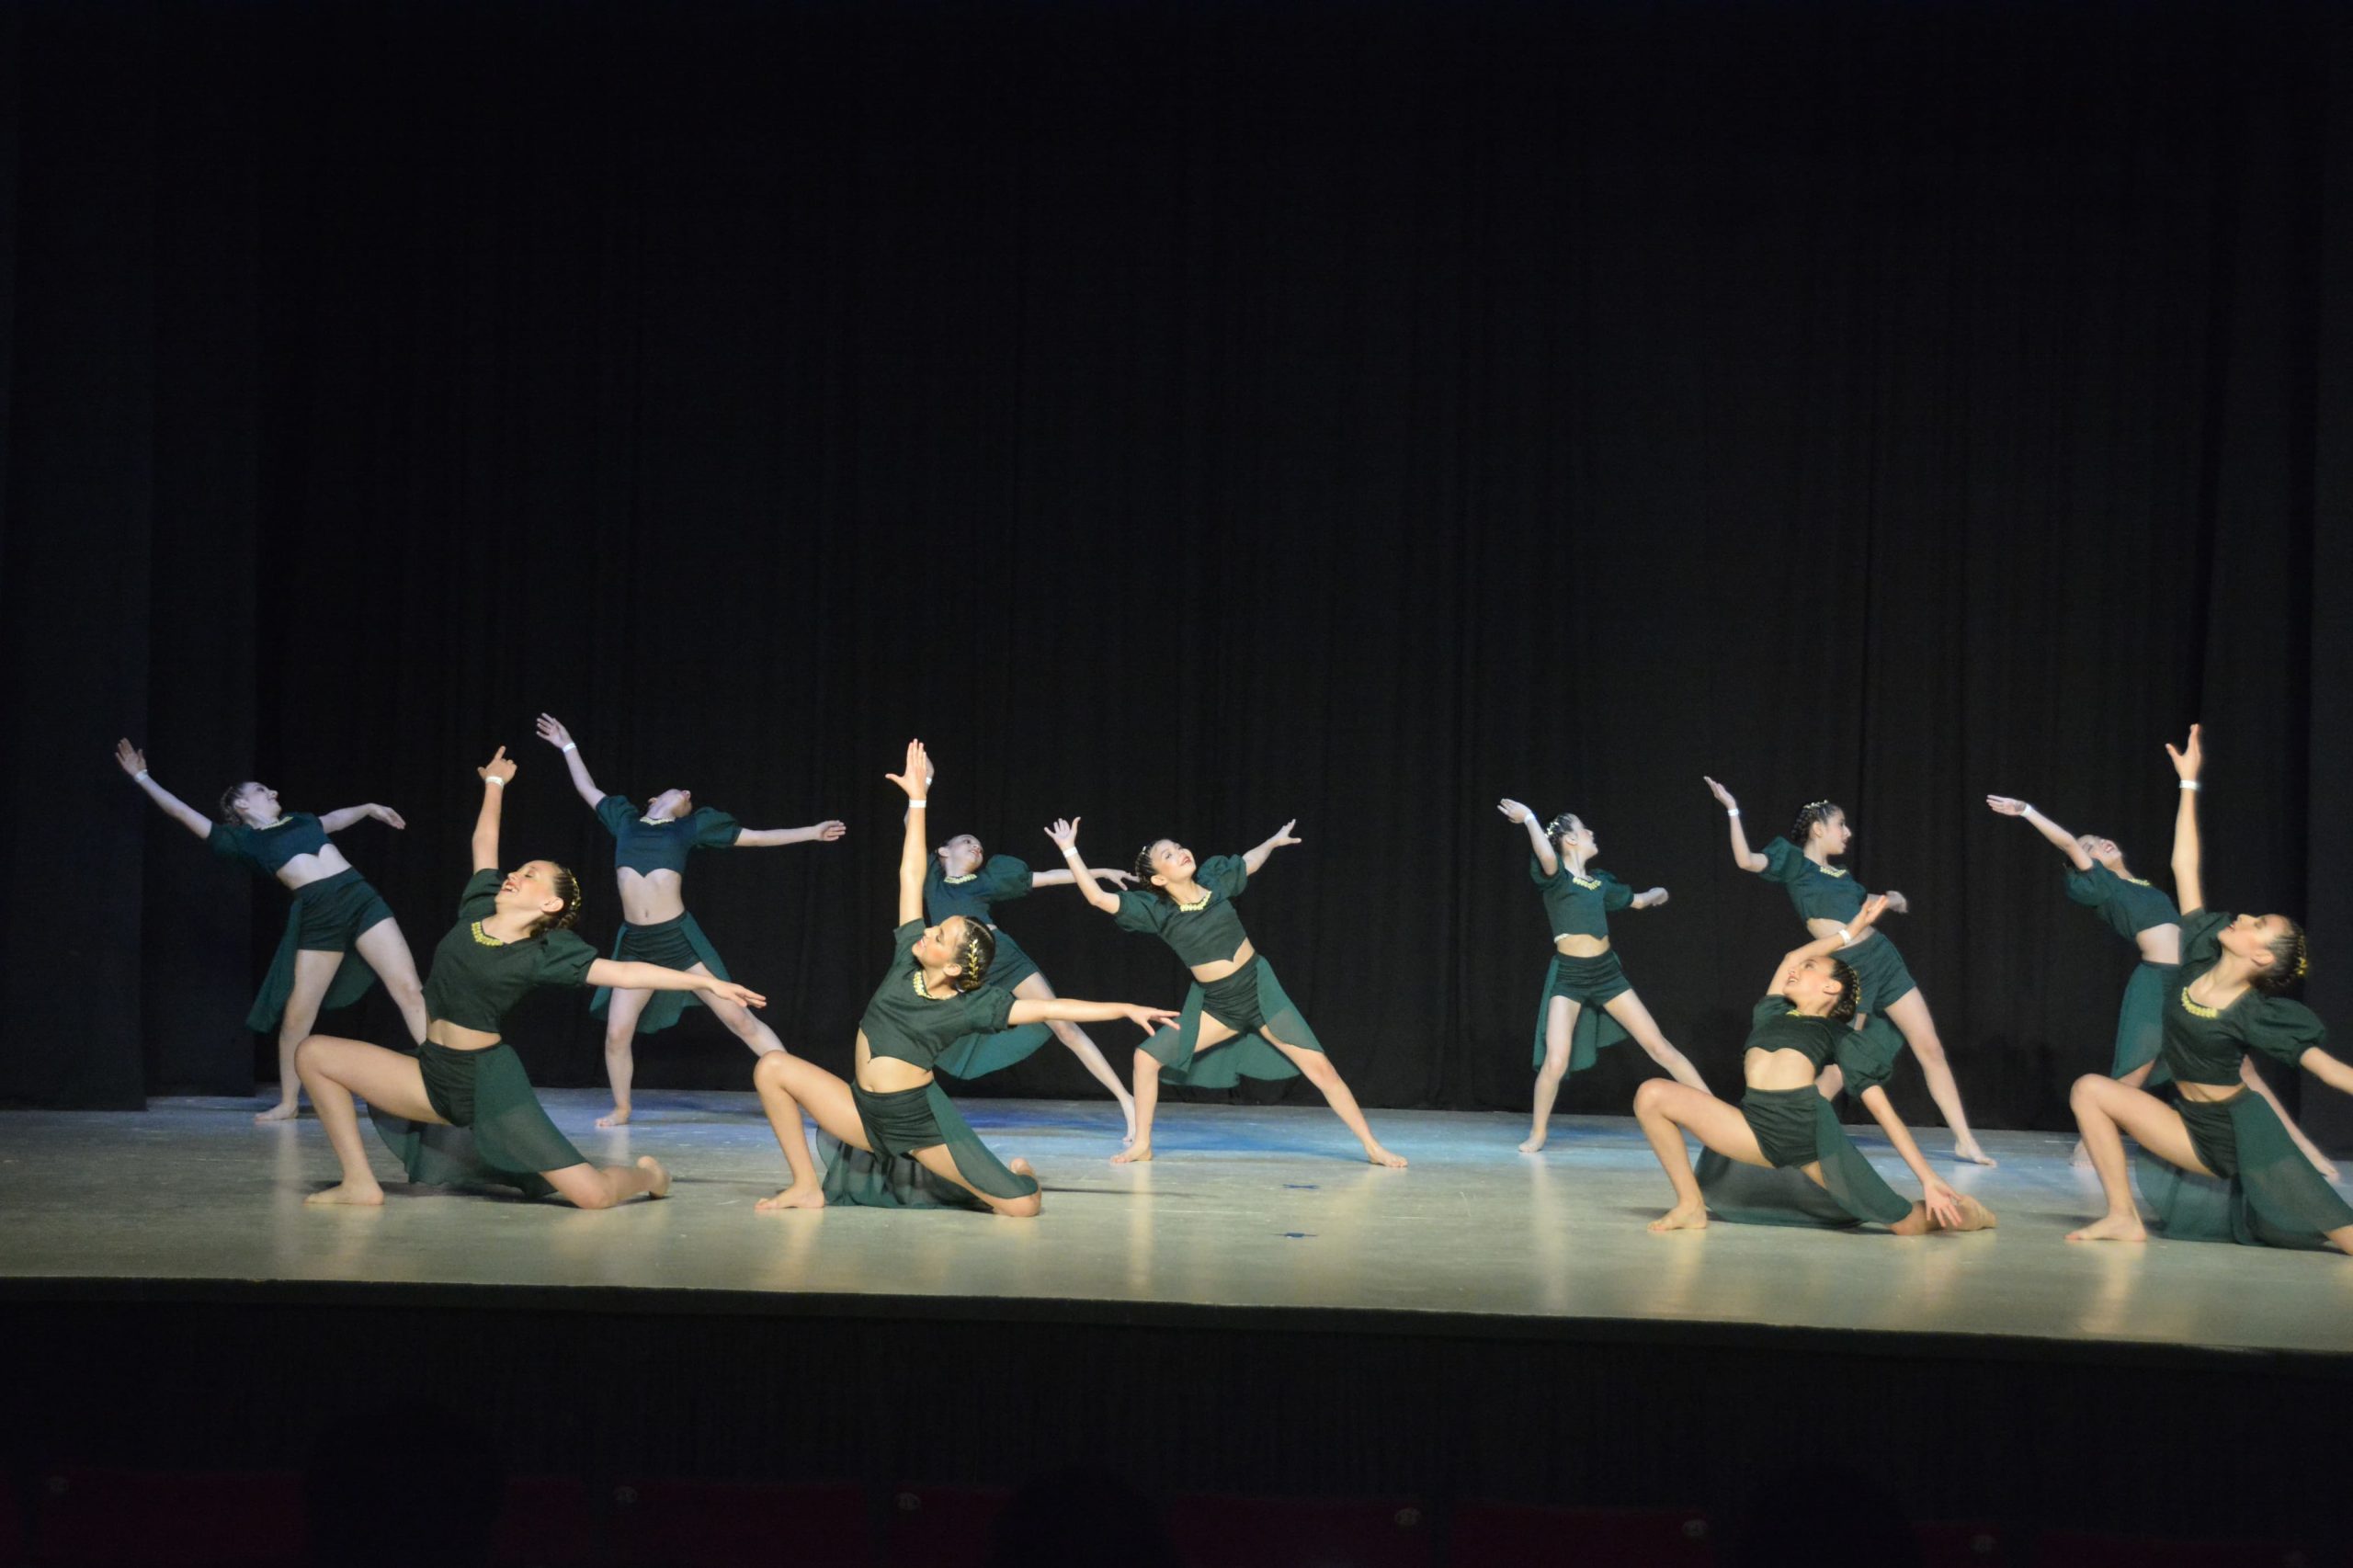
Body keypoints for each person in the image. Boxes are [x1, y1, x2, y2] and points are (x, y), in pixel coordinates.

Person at [295, 747, 763, 1208]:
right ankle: (359, 1183)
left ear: (550, 905)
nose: (515, 875)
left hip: (490, 1084)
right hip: (432, 1072)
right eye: (517, 870)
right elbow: (484, 843)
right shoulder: (477, 907)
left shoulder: (545, 952)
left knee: (593, 1197)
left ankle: (647, 1174)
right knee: (315, 1053)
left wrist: (706, 982)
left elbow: (625, 970)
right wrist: (494, 785)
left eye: (530, 874)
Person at [748, 743, 1176, 1215]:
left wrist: (1126, 1009)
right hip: (863, 1114)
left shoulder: (970, 1003)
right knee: (771, 1066)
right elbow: (909, 874)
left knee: (1021, 1209)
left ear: (952, 967)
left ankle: (1021, 1178)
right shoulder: (905, 956)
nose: (927, 929)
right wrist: (918, 797)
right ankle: (806, 1186)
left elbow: (1054, 1009)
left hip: (919, 1123)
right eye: (935, 927)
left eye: (938, 934)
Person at [2064, 726, 2353, 1253]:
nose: (2242, 916)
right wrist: (2189, 784)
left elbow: (2332, 1072)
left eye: (2255, 923)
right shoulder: (2197, 952)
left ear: (2260, 956)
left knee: (2346, 1240)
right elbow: (2184, 865)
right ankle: (2122, 1217)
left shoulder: (2256, 1012)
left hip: (2250, 1137)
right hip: (2196, 1131)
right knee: (2090, 1089)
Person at [1986, 792, 2332, 1175]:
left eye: (2097, 839)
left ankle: (2305, 1151)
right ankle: (2089, 1150)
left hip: (2188, 981)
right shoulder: (2104, 886)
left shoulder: (2143, 887)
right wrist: (2028, 811)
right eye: (2089, 848)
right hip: (2156, 983)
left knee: (2244, 1068)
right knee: (2134, 1072)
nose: (2097, 843)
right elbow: (2067, 842)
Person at [535, 714, 844, 1127]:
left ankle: (805, 1091)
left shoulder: (688, 829)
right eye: (682, 792)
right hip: (636, 944)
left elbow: (755, 836)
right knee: (616, 1033)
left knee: (738, 1018)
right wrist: (567, 744)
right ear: (653, 799)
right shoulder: (624, 820)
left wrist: (810, 832)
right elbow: (588, 788)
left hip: (678, 940)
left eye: (689, 797)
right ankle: (623, 1108)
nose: (687, 794)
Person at [1050, 815, 1407, 1168]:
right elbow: (1097, 898)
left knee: (1323, 1071)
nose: (1180, 853)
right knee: (1146, 1058)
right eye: (1168, 855)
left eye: (1178, 847)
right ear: (1158, 877)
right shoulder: (1156, 911)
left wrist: (1271, 842)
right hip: (1219, 1005)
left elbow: (1248, 862)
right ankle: (1142, 1143)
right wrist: (1070, 850)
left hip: (1260, 991)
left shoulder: (1214, 880)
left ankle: (1372, 1146)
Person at [1633, 895, 1994, 1235]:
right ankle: (1691, 1205)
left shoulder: (1836, 1035)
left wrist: (1927, 1178)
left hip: (1807, 1136)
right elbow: (1791, 957)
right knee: (1651, 1095)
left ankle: (1971, 1215)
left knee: (1906, 1224)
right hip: (1753, 1126)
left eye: (1810, 968)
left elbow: (1884, 1111)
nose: (1796, 969)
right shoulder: (1770, 1013)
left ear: (1831, 988)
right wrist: (1848, 933)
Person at [115, 737, 428, 1124]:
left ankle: (446, 1079)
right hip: (320, 916)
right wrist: (142, 777)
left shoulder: (301, 820)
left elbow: (333, 819)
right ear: (242, 805)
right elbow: (180, 812)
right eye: (262, 791)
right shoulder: (241, 841)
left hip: (360, 899)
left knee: (409, 989)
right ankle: (288, 1101)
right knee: (298, 1014)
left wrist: (367, 809)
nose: (273, 791)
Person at [1704, 777, 1992, 1165]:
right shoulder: (1792, 862)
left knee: (1930, 1046)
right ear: (1819, 829)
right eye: (1841, 825)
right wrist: (1733, 809)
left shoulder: (1842, 876)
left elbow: (1863, 902)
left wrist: (1891, 899)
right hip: (1849, 971)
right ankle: (1776, 1127)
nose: (1848, 833)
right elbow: (1746, 860)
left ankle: (1964, 1140)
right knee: (1843, 1063)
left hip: (1883, 960)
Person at [1496, 798, 1708, 1153]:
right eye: (1583, 828)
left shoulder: (1600, 884)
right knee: (1557, 1058)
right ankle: (1538, 1132)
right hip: (1571, 976)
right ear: (1570, 840)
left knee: (1659, 1046)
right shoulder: (1557, 878)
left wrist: (1659, 893)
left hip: (1607, 973)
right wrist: (1531, 818)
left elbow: (1638, 900)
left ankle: (1713, 1113)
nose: (1592, 831)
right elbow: (1547, 857)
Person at [925, 828, 1142, 1140]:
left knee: (1064, 1027)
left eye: (980, 844)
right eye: (967, 841)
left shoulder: (986, 881)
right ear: (944, 852)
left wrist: (1101, 871)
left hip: (1004, 958)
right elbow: (912, 826)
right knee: (930, 1030)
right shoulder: (933, 880)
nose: (976, 846)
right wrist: (923, 784)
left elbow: (1050, 876)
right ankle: (913, 1108)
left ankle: (1127, 1101)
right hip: (960, 968)